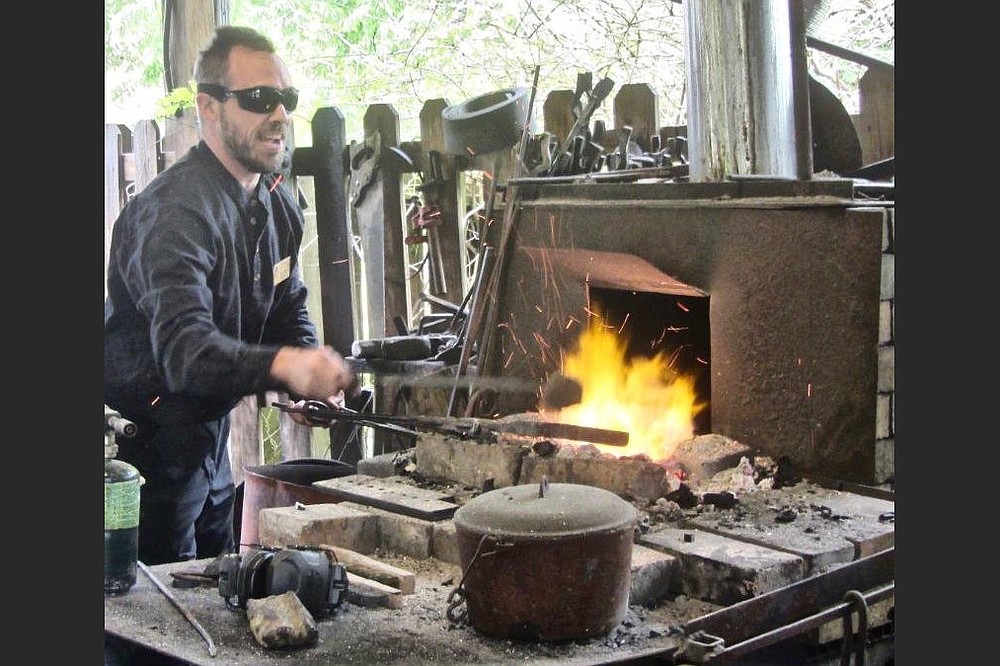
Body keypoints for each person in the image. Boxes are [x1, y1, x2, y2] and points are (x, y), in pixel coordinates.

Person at [104, 25, 356, 565]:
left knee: (214, 584)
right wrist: (287, 365)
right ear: (210, 107)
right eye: (259, 99)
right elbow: (185, 353)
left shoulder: (275, 203)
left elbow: (287, 299)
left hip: (210, 436)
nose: (280, 114)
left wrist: (307, 369)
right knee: (153, 617)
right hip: (144, 444)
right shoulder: (176, 215)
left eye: (285, 99)